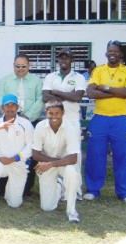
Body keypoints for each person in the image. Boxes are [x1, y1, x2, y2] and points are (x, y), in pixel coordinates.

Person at [84, 40, 126, 203]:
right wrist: (118, 93)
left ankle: (124, 192)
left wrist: (106, 88)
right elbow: (90, 92)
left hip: (121, 119)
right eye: (110, 50)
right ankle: (93, 189)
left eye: (116, 51)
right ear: (106, 53)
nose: (112, 53)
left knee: (122, 155)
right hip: (100, 118)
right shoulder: (98, 71)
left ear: (120, 54)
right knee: (95, 155)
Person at [0, 94, 34, 218]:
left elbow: (31, 148)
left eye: (13, 105)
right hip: (1, 162)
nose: (10, 108)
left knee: (14, 203)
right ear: (2, 107)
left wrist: (13, 159)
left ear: (17, 107)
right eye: (7, 105)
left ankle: (10, 192)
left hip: (18, 164)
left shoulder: (26, 124)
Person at [0, 53, 44, 197]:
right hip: (9, 121)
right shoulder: (5, 81)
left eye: (24, 66)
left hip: (30, 120)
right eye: (17, 66)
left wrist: (26, 117)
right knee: (8, 151)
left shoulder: (36, 81)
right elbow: (0, 99)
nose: (20, 69)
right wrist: (12, 115)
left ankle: (27, 187)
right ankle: (3, 186)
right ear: (13, 66)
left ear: (29, 66)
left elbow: (40, 100)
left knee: (29, 152)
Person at [42, 48, 86, 200]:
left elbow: (77, 97)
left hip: (72, 120)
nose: (63, 60)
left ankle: (76, 190)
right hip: (54, 120)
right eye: (61, 58)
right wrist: (67, 94)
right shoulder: (50, 76)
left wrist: (56, 92)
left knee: (74, 155)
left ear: (72, 60)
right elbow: (45, 97)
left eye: (67, 58)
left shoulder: (78, 77)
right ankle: (59, 189)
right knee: (55, 153)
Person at [32, 100, 80, 223]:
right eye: (51, 113)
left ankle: (72, 210)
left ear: (63, 113)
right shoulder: (40, 126)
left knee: (71, 172)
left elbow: (73, 158)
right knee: (47, 207)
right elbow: (35, 155)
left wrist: (52, 164)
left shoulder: (70, 127)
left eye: (57, 113)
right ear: (46, 113)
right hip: (48, 164)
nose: (54, 116)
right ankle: (58, 185)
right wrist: (54, 163)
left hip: (63, 164)